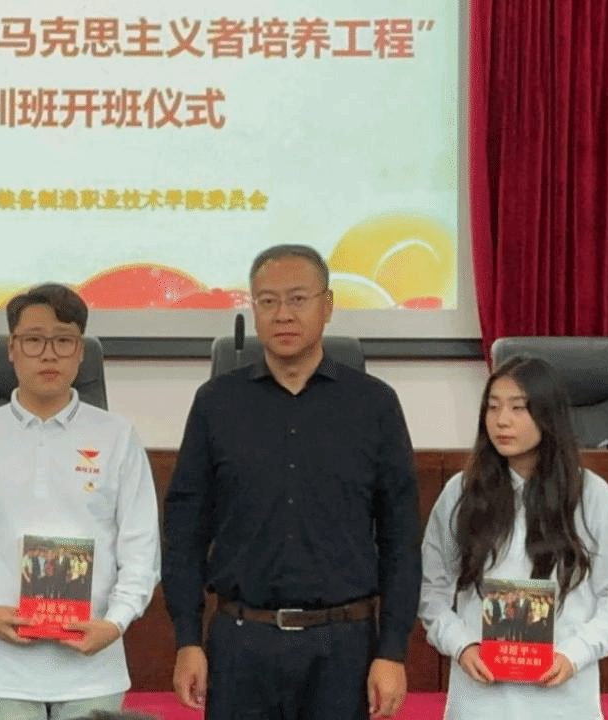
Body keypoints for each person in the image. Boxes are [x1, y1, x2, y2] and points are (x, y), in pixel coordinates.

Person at [163, 244, 422, 720]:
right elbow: (185, 532)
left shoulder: (374, 405)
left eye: (298, 299)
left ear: (328, 305)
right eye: (268, 301)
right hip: (240, 644)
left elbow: (400, 538)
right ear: (253, 309)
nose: (283, 314)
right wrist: (187, 639)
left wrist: (392, 650)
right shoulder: (216, 404)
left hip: (343, 648)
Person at [0, 283, 160, 720]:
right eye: (33, 340)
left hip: (93, 667)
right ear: (11, 348)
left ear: (80, 351)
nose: (49, 355)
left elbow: (142, 547)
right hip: (2, 668)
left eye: (63, 340)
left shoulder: (117, 437)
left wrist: (116, 621)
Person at [419, 356, 608, 719]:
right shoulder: (461, 493)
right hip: (480, 700)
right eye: (493, 407)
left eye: (518, 408)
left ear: (548, 415)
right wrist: (462, 645)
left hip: (563, 700)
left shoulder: (591, 496)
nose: (501, 420)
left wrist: (575, 653)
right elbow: (431, 590)